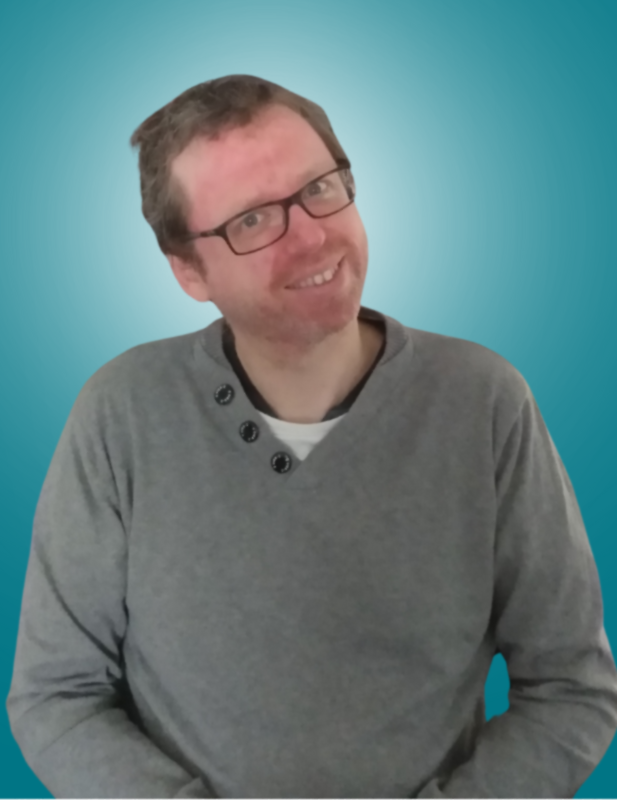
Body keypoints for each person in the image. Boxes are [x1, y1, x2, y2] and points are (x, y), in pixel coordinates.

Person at [6, 75, 617, 800]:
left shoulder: (484, 402)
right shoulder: (120, 412)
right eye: (253, 220)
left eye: (320, 188)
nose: (312, 235)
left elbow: (571, 690)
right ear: (187, 272)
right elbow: (55, 697)